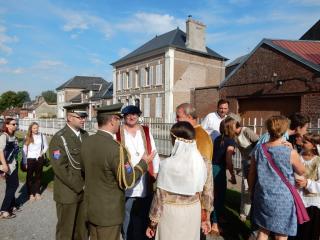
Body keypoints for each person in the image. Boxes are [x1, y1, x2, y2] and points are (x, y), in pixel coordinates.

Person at [80, 103, 151, 240]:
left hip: (91, 207)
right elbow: (127, 180)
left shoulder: (87, 141)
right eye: (119, 119)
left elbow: (84, 170)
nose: (120, 122)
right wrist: (143, 163)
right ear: (112, 120)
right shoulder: (116, 149)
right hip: (109, 211)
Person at [146, 121, 207, 240]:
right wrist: (205, 218)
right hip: (193, 211)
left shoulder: (167, 165)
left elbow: (159, 198)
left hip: (172, 214)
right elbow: (204, 192)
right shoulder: (201, 162)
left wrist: (152, 223)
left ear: (176, 141)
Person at [248, 115, 305, 240]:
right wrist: (293, 149)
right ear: (284, 130)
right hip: (283, 199)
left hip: (262, 195)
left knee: (263, 231)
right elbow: (302, 170)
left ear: (268, 129)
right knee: (281, 234)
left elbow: (252, 173)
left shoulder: (258, 149)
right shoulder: (290, 152)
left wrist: (251, 190)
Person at [118, 105, 159, 240]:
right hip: (128, 178)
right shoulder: (118, 132)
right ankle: (127, 236)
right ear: (124, 116)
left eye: (135, 114)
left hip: (144, 179)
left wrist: (156, 171)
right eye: (129, 114)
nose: (132, 117)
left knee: (144, 213)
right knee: (127, 213)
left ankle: (143, 236)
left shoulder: (146, 131)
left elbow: (154, 152)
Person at [48, 104, 89, 240]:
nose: (83, 119)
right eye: (80, 117)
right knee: (66, 230)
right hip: (68, 192)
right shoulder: (59, 138)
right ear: (69, 117)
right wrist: (80, 185)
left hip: (85, 190)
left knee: (82, 229)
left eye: (85, 116)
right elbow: (60, 168)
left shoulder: (85, 135)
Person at [176, 103, 213, 238]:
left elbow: (202, 171)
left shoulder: (200, 136)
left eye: (178, 117)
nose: (176, 120)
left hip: (194, 197)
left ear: (190, 117)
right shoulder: (191, 133)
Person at [211, 117, 237, 235]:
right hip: (219, 170)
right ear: (231, 128)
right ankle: (215, 225)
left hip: (212, 168)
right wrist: (232, 174)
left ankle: (217, 218)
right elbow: (228, 160)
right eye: (235, 126)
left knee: (216, 195)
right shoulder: (231, 141)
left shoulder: (217, 139)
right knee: (218, 196)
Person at [230, 113, 259, 222]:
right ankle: (244, 212)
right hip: (245, 163)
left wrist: (252, 156)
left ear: (235, 123)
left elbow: (259, 143)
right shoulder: (234, 134)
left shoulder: (246, 131)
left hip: (253, 164)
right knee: (245, 188)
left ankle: (253, 212)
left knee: (251, 188)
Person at [294, 133, 320, 240]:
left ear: (313, 145)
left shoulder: (318, 161)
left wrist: (307, 183)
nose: (301, 143)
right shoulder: (297, 158)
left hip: (313, 203)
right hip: (297, 201)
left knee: (311, 234)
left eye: (305, 142)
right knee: (297, 234)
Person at [23, 122, 48, 201]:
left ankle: (37, 192)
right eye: (34, 128)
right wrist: (25, 162)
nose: (36, 129)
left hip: (39, 159)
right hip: (30, 159)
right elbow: (24, 149)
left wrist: (42, 153)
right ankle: (30, 194)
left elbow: (46, 146)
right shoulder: (27, 136)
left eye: (37, 128)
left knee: (38, 176)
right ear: (31, 129)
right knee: (29, 177)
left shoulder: (42, 135)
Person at [0, 117, 20, 219]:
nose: (15, 126)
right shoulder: (4, 137)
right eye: (13, 124)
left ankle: (12, 205)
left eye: (16, 124)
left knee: (10, 185)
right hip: (7, 165)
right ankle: (4, 210)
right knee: (14, 185)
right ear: (7, 125)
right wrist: (4, 165)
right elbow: (0, 152)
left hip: (14, 164)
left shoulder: (14, 137)